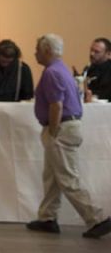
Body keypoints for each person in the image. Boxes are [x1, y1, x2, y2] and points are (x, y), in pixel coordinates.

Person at [26, 34, 111, 239]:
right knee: (53, 176)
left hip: (61, 128)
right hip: (66, 126)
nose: (35, 53)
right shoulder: (60, 69)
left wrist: (53, 130)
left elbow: (56, 104)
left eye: (37, 49)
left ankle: (97, 218)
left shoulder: (52, 73)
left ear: (47, 51)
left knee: (67, 178)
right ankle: (47, 217)